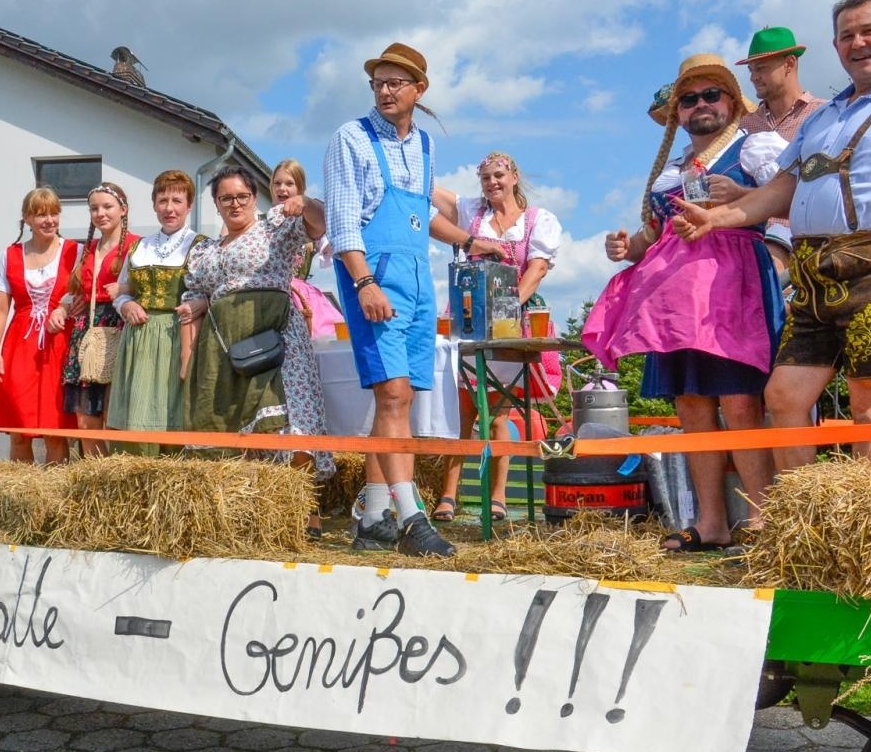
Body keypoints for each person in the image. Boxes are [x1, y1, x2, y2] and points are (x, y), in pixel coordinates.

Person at [675, 0, 871, 473]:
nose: (858, 43)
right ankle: (802, 514)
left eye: (869, 31)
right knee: (784, 396)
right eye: (847, 36)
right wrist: (716, 218)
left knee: (868, 400)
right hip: (813, 270)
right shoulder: (824, 116)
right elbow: (781, 189)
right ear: (835, 46)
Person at [583, 54, 787, 551]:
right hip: (674, 304)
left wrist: (743, 196)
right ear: (677, 112)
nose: (701, 105)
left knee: (741, 403)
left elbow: (790, 198)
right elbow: (653, 236)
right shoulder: (670, 172)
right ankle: (711, 521)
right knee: (692, 407)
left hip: (731, 292)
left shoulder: (754, 148)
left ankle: (762, 519)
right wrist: (626, 247)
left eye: (711, 95)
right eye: (689, 99)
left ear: (731, 102)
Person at [322, 42, 486, 557]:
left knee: (400, 399)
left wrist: (469, 241)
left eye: (396, 83)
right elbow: (342, 221)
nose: (385, 91)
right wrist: (364, 283)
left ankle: (373, 519)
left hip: (417, 278)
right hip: (374, 275)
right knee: (393, 393)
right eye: (379, 83)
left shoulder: (424, 146)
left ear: (419, 89)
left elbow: (424, 215)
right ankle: (412, 517)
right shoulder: (351, 138)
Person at [178, 166, 334, 531]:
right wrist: (188, 355)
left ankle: (306, 511)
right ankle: (255, 512)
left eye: (242, 197)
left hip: (275, 338)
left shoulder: (274, 228)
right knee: (238, 426)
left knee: (294, 421)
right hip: (223, 345)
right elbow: (193, 298)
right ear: (216, 203)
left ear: (254, 198)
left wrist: (305, 202)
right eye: (226, 198)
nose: (235, 204)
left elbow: (320, 224)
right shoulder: (204, 251)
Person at [430, 151, 562, 523]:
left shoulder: (538, 220)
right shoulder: (472, 212)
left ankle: (498, 496)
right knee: (462, 412)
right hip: (469, 318)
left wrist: (507, 306)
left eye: (499, 176)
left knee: (498, 412)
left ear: (514, 176)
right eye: (486, 178)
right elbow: (426, 187)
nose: (492, 183)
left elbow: (537, 269)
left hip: (510, 324)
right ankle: (448, 495)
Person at [107, 170, 206, 457]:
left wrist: (201, 304)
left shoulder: (200, 245)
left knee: (172, 405)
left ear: (189, 205)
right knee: (137, 407)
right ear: (154, 204)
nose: (169, 208)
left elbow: (210, 291)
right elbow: (122, 291)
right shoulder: (139, 247)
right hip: (139, 338)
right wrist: (127, 305)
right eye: (163, 200)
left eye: (177, 200)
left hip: (179, 334)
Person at [0, 187, 78, 464]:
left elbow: (83, 296)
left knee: (55, 431)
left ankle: (54, 489)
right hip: (20, 345)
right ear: (27, 218)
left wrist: (64, 308)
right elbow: (0, 309)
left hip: (59, 342)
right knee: (19, 430)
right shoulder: (10, 254)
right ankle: (21, 487)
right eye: (41, 215)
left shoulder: (75, 251)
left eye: (54, 213)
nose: (49, 220)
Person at [58, 182, 140, 458]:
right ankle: (96, 475)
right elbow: (73, 291)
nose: (100, 213)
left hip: (120, 326)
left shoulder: (138, 246)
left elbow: (150, 287)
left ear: (123, 209)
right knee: (86, 421)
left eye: (107, 206)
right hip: (88, 331)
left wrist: (125, 289)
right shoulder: (87, 249)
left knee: (115, 417)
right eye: (94, 208)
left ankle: (117, 477)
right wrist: (61, 309)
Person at [737, 26, 826, 271]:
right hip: (749, 240)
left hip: (808, 242)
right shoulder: (744, 125)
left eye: (761, 68)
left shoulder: (824, 115)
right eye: (751, 70)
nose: (754, 77)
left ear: (789, 63)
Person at [270, 159, 344, 341]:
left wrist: (307, 206)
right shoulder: (260, 223)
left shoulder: (306, 223)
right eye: (277, 183)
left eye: (289, 183)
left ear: (300, 189)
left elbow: (324, 227)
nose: (282, 188)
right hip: (270, 292)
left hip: (300, 296)